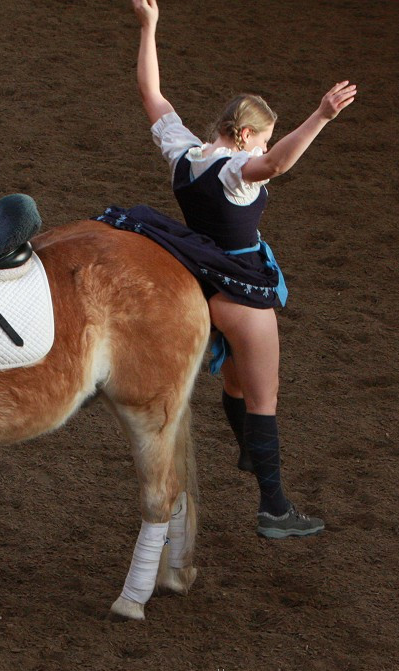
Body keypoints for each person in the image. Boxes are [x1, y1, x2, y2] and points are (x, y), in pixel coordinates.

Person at [125, 0, 357, 538]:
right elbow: (275, 165)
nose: (267, 148)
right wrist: (321, 115)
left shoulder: (185, 153)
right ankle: (274, 506)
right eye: (266, 137)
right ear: (248, 136)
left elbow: (151, 94)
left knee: (232, 380)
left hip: (199, 283)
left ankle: (248, 452)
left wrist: (149, 27)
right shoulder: (239, 171)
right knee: (264, 396)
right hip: (242, 288)